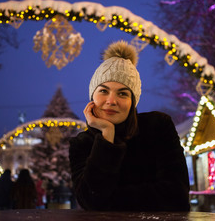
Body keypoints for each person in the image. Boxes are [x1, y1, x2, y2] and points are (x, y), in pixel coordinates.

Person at [69, 40, 190, 211]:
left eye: (122, 93)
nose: (111, 101)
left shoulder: (158, 127)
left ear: (133, 102)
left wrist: (109, 200)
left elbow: (177, 195)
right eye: (103, 91)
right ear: (92, 97)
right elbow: (90, 200)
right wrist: (107, 136)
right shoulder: (81, 144)